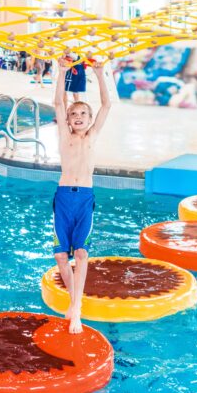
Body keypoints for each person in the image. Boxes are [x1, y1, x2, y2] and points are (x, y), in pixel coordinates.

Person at [52, 56, 111, 334]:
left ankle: (75, 308)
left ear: (89, 120)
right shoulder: (65, 136)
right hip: (63, 197)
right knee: (62, 258)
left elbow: (107, 105)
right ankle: (76, 302)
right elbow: (57, 103)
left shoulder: (92, 137)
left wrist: (99, 74)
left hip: (85, 197)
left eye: (83, 115)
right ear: (68, 120)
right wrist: (62, 72)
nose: (78, 118)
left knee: (83, 253)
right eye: (74, 115)